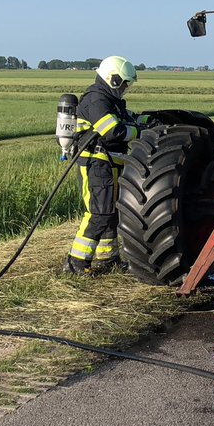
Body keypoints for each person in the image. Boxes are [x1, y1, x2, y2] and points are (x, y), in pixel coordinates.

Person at [63, 56, 150, 275]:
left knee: (111, 213)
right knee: (99, 213)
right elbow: (114, 131)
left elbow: (128, 119)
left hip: (109, 163)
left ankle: (108, 259)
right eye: (124, 83)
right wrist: (141, 133)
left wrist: (149, 121)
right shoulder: (96, 100)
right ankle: (76, 264)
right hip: (96, 164)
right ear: (113, 79)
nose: (125, 88)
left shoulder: (110, 100)